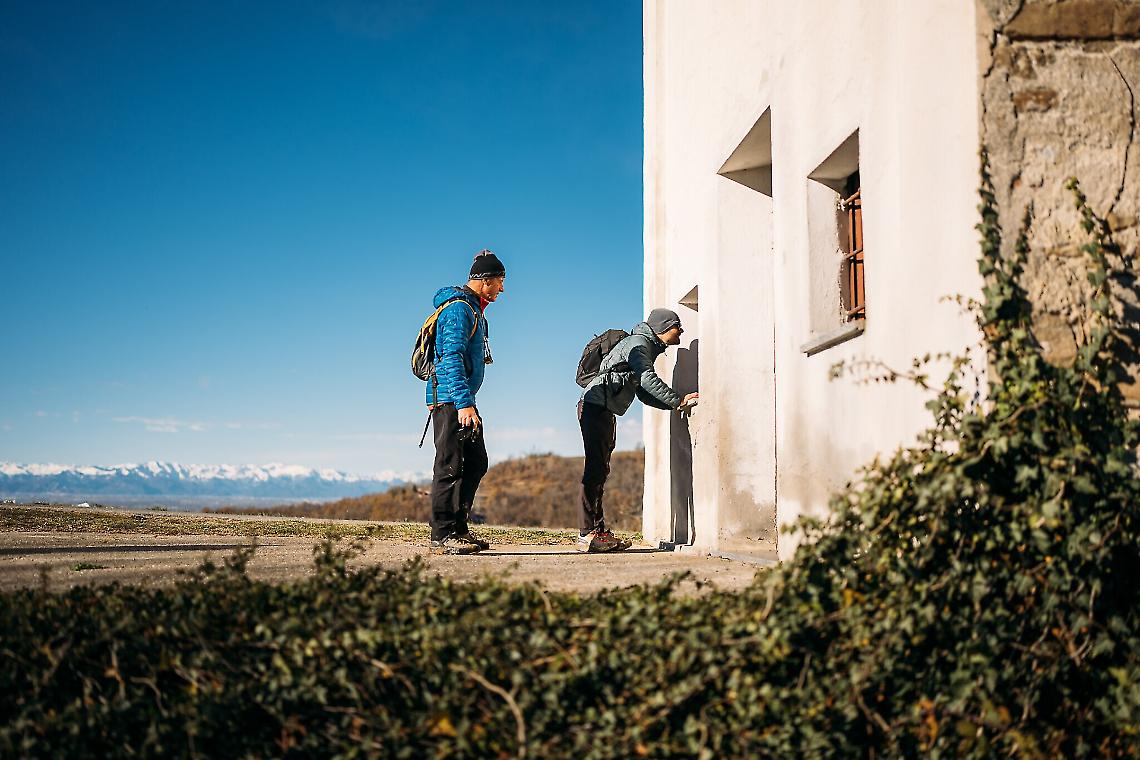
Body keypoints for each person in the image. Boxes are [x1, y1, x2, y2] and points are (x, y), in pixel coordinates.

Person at [577, 308, 698, 552]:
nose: (681, 330)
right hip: (595, 406)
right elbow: (646, 379)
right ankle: (588, 533)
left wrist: (672, 403)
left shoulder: (644, 346)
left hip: (600, 407)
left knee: (600, 469)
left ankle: (596, 532)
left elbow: (642, 392)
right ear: (663, 327)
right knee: (595, 469)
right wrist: (677, 400)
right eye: (678, 325)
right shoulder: (639, 343)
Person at [425, 249, 506, 555]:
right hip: (451, 399)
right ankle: (442, 534)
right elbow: (449, 359)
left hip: (461, 398)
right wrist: (463, 403)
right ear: (485, 281)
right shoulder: (459, 310)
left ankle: (458, 529)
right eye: (499, 281)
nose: (502, 288)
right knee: (449, 465)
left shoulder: (473, 309)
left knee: (476, 462)